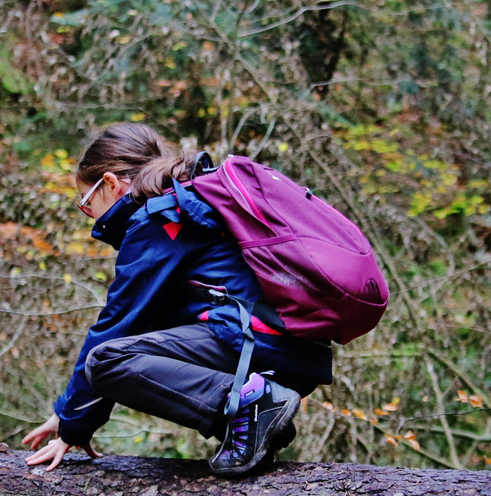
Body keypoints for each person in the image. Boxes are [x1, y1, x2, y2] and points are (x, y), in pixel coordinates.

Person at [21, 123, 333, 477]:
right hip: (290, 350)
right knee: (116, 356)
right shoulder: (187, 202)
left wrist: (72, 426)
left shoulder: (161, 218)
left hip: (258, 341)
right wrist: (68, 414)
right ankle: (255, 420)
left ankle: (254, 402)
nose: (90, 214)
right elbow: (143, 328)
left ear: (110, 183)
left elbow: (114, 329)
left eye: (86, 202)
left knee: (105, 361)